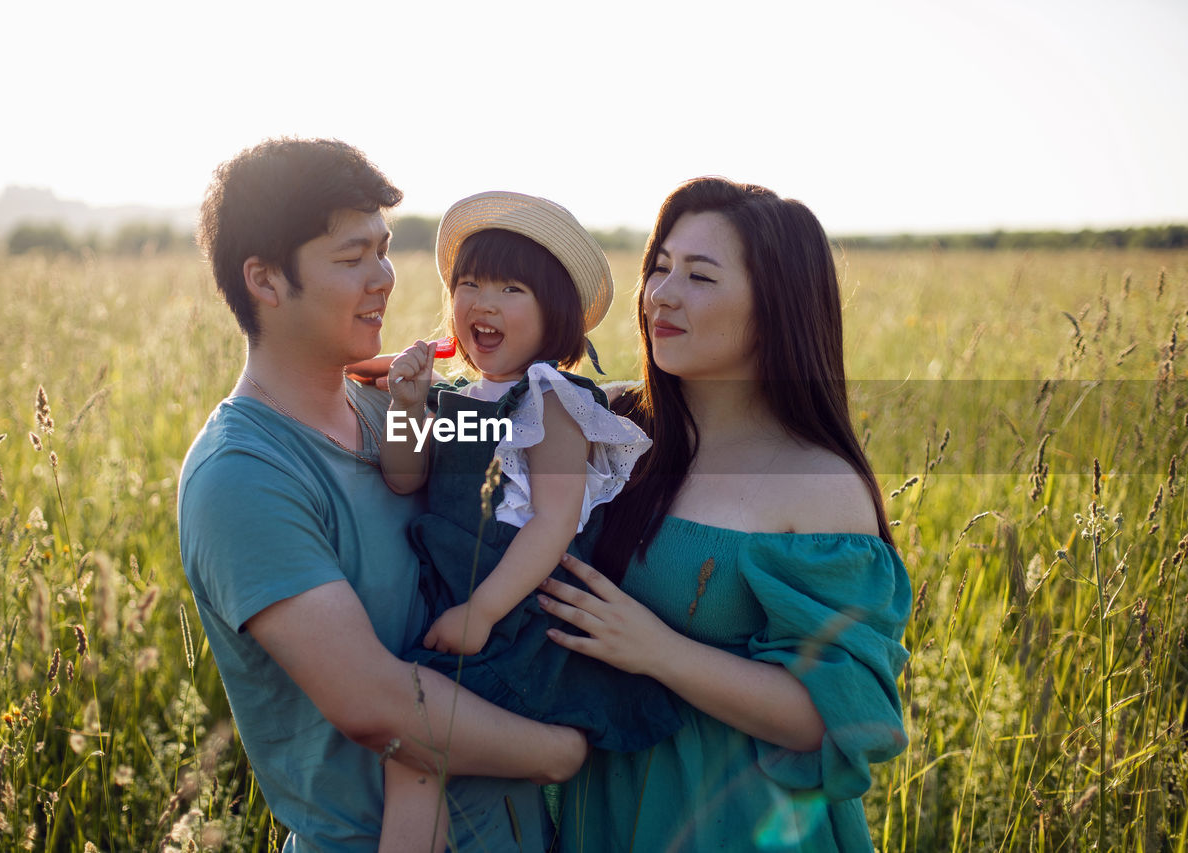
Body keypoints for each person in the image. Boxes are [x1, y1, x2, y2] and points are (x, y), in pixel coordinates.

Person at [177, 139, 586, 853]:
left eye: (386, 249)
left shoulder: (387, 409)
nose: (385, 279)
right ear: (266, 280)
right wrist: (563, 753)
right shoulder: (241, 475)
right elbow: (375, 705)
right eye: (352, 257)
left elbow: (521, 422)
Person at [537, 177, 912, 852]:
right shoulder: (614, 428)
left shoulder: (817, 484)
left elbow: (832, 717)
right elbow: (481, 419)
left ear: (776, 306)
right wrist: (398, 402)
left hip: (738, 821)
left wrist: (656, 650)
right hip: (608, 809)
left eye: (701, 277)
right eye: (660, 267)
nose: (662, 295)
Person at [376, 192, 683, 853]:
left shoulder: (552, 401)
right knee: (415, 758)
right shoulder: (454, 397)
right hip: (461, 607)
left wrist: (483, 610)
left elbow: (553, 522)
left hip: (515, 622)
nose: (483, 301)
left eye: (511, 288)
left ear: (555, 316)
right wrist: (405, 404)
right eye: (470, 283)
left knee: (412, 747)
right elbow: (403, 475)